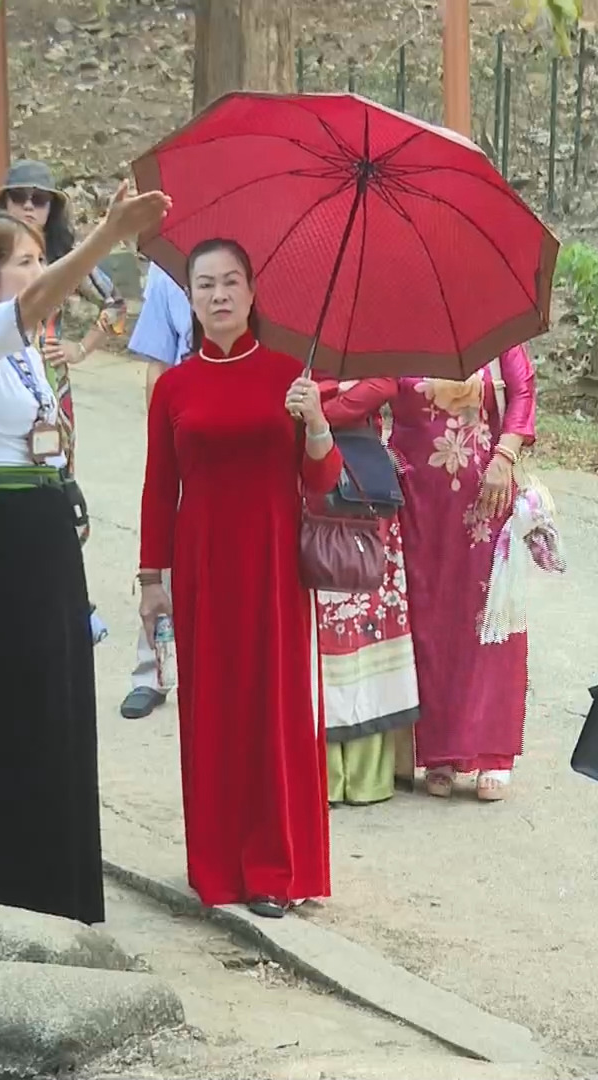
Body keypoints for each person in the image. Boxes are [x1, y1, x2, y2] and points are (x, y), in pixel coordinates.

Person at [0, 184, 171, 925]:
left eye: (43, 257)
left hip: (46, 523)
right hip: (3, 532)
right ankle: (7, 884)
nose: (40, 272)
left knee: (62, 698)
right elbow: (31, 310)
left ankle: (64, 888)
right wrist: (105, 238)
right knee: (14, 701)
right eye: (25, 261)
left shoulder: (29, 354)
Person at [137, 238, 343, 919]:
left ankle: (274, 870)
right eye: (205, 285)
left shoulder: (289, 376)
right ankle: (217, 865)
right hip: (201, 567)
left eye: (231, 282)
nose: (219, 295)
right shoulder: (173, 386)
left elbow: (323, 479)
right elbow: (156, 488)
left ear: (253, 294)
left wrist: (315, 421)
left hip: (275, 563)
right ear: (189, 299)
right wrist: (150, 578)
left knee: (274, 709)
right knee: (213, 710)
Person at [389, 344, 537, 801]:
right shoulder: (390, 327)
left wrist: (505, 456)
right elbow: (370, 396)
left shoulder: (494, 328)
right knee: (429, 617)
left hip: (484, 496)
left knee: (487, 619)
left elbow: (523, 390)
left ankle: (492, 753)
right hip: (416, 496)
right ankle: (439, 752)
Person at [313, 376, 418, 807]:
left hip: (363, 490)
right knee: (315, 627)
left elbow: (382, 384)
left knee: (367, 621)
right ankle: (317, 773)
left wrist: (314, 407)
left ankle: (365, 773)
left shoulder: (368, 320)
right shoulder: (284, 325)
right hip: (304, 481)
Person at [0, 160, 126, 466]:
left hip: (51, 381)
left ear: (51, 208)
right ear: (4, 202)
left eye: (39, 199)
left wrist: (80, 349)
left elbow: (117, 306)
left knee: (54, 471)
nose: (28, 206)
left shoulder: (66, 260)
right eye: (19, 197)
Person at [120, 260, 195, 721]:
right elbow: (158, 363)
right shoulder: (169, 268)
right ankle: (153, 670)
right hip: (187, 415)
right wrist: (161, 435)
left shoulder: (267, 255)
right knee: (164, 542)